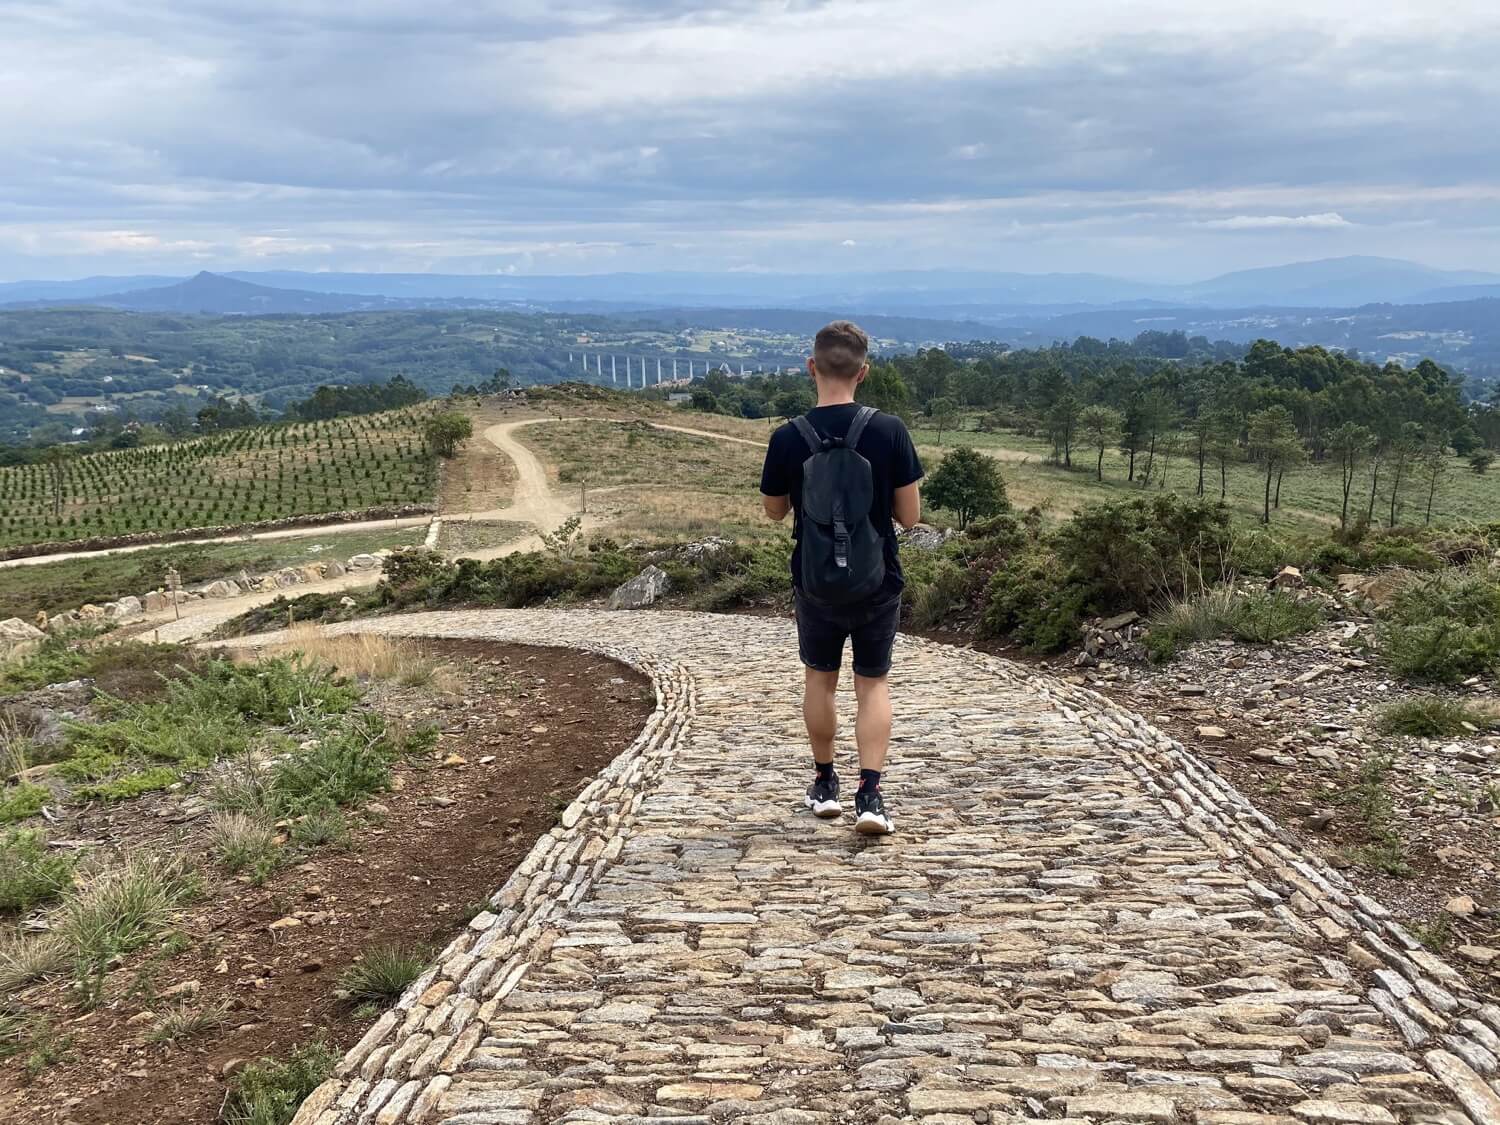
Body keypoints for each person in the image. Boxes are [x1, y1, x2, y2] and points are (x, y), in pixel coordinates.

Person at [759, 321, 923, 835]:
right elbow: (910, 517)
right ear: (863, 372)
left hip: (814, 582)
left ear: (812, 367)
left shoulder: (787, 437)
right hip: (877, 581)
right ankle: (870, 795)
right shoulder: (889, 430)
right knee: (872, 685)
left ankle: (824, 782)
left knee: (820, 679)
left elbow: (773, 512)